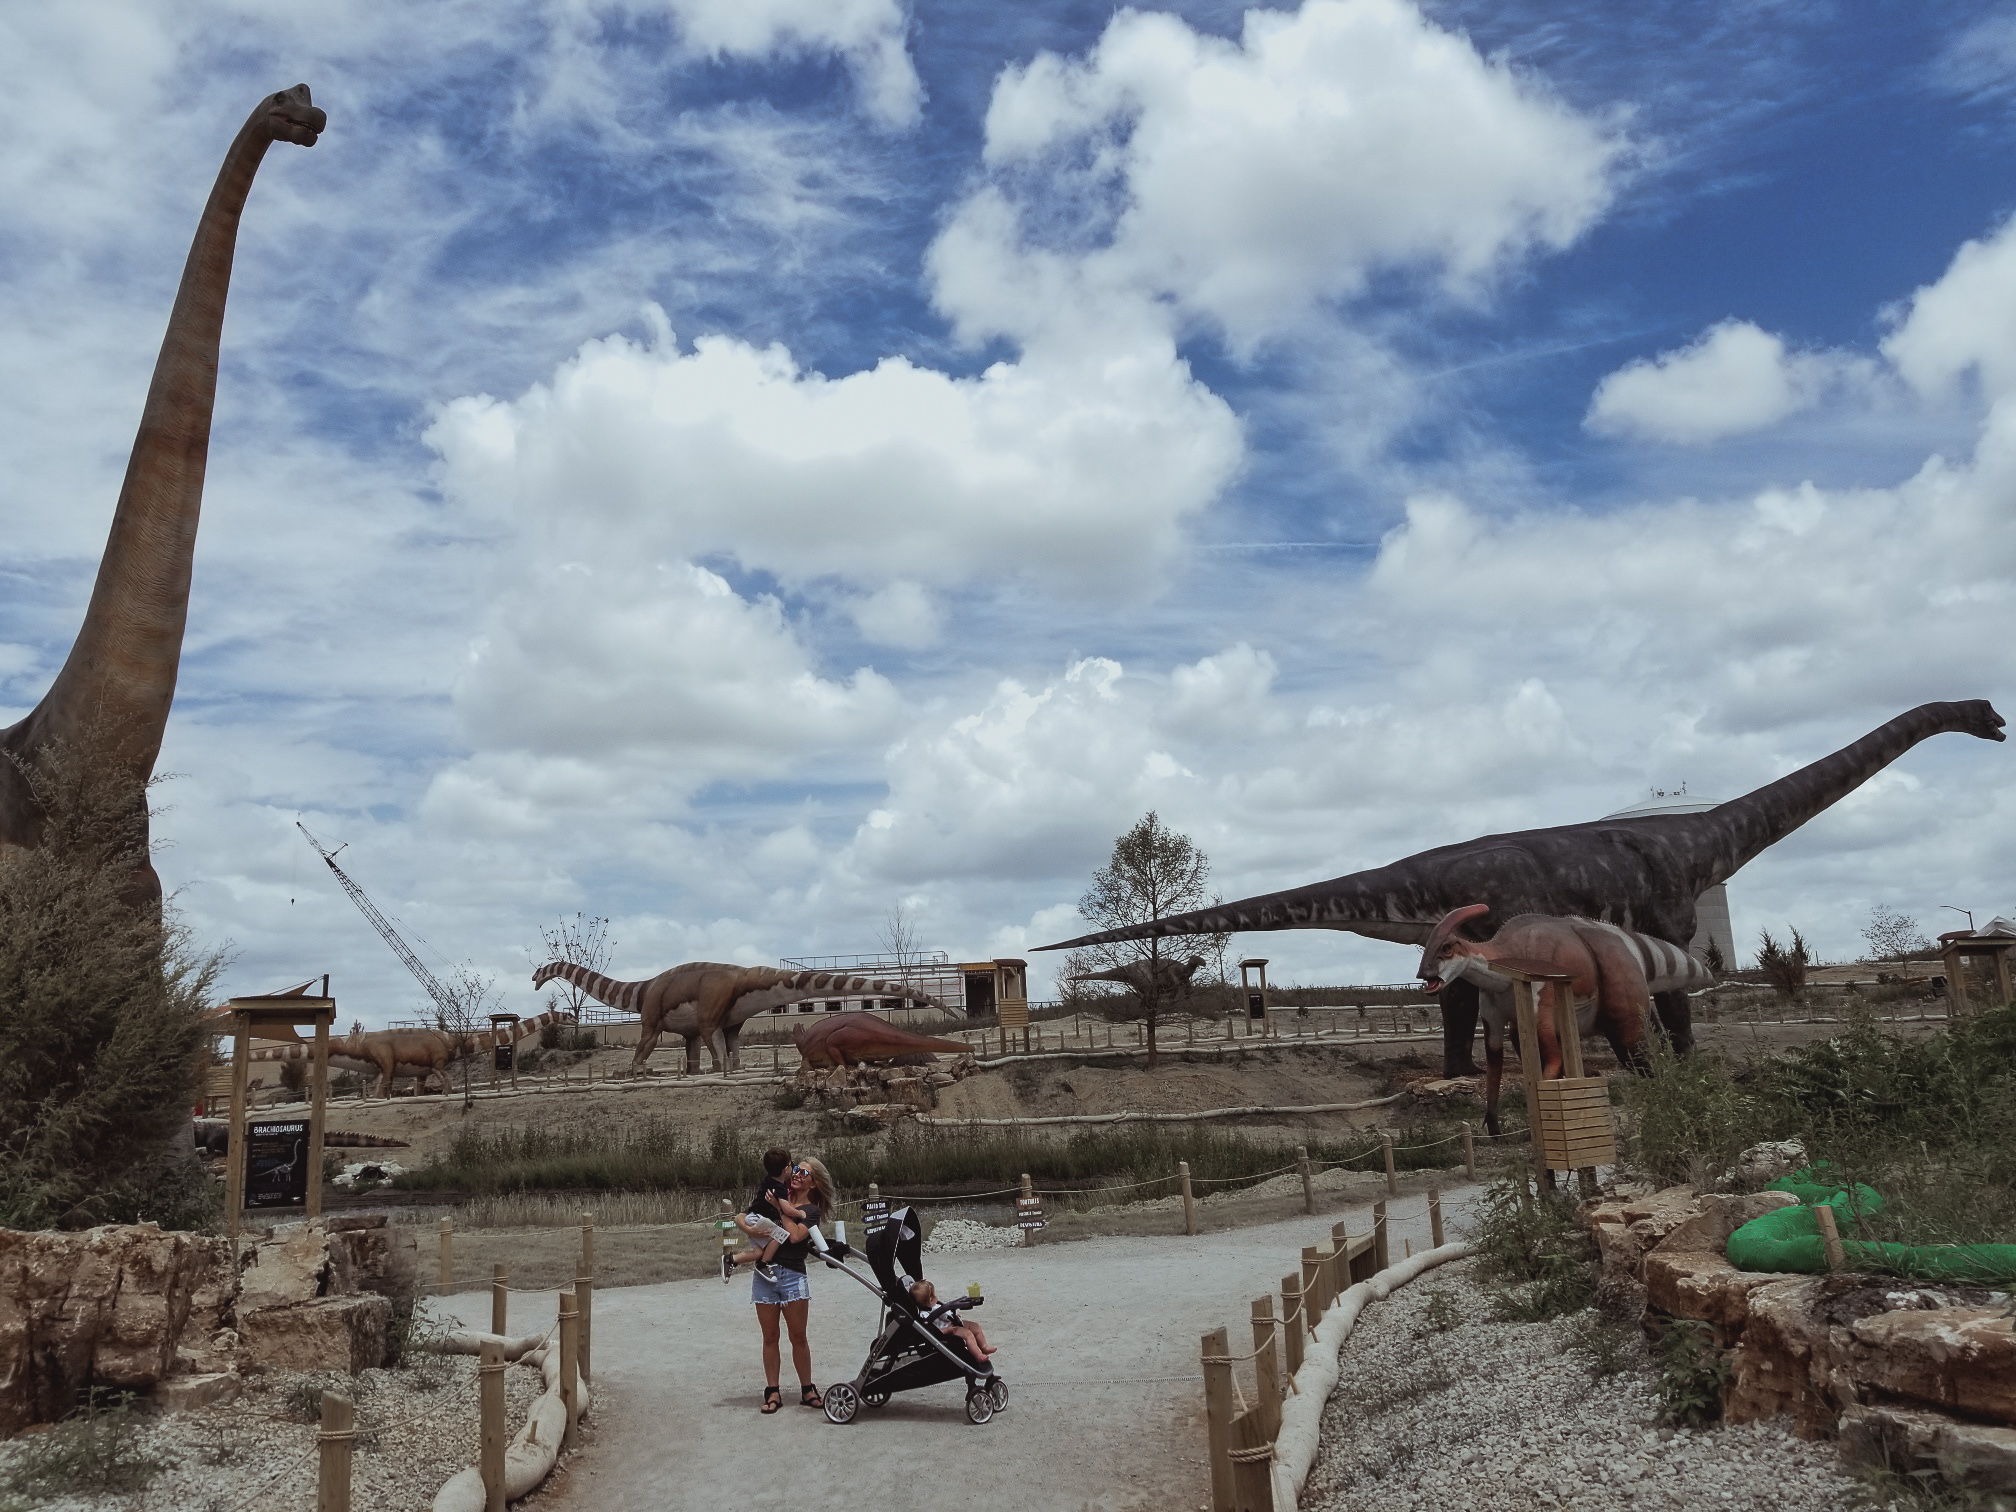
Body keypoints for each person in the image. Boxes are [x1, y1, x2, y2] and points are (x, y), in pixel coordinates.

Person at [752, 1155, 837, 1413]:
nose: (797, 1174)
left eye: (804, 1172)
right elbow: (752, 1218)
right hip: (766, 1274)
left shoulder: (811, 1211)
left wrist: (780, 1209)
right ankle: (773, 1390)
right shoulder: (778, 1192)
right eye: (796, 1169)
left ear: (813, 1183)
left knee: (798, 1336)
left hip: (793, 1275)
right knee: (770, 1336)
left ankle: (807, 1388)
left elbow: (798, 1235)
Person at [725, 1147, 793, 1284]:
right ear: (785, 1170)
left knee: (758, 1253)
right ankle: (763, 1264)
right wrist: (750, 1230)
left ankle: (732, 1259)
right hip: (758, 1221)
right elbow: (739, 1217)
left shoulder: (768, 1180)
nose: (795, 1170)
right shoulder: (780, 1188)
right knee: (779, 1236)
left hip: (755, 1219)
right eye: (792, 1165)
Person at [909, 1279, 997, 1358]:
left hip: (954, 1323)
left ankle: (984, 1347)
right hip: (950, 1330)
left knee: (975, 1326)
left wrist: (954, 1317)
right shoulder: (924, 1315)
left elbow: (946, 1315)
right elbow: (930, 1328)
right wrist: (947, 1330)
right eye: (935, 1294)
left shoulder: (934, 1306)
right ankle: (979, 1355)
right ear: (931, 1299)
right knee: (968, 1334)